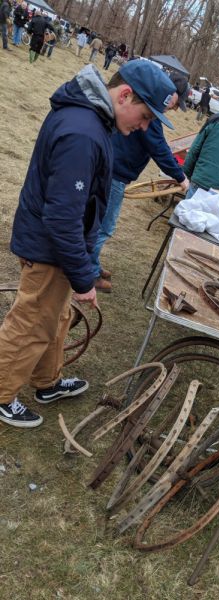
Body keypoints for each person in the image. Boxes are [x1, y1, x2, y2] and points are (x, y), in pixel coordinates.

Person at [0, 60, 177, 429]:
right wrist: (84, 278)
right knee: (31, 322)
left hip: (56, 247)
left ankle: (46, 383)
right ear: (125, 94)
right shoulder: (82, 132)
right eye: (145, 116)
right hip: (49, 248)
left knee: (57, 316)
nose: (144, 127)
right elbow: (63, 217)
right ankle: (2, 395)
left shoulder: (93, 121)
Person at [92, 73, 191, 292]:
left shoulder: (151, 115)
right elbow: (158, 147)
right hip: (115, 172)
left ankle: (92, 265)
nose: (173, 109)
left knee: (99, 222)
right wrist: (180, 177)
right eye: (174, 104)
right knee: (104, 227)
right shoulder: (150, 112)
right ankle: (89, 273)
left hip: (117, 170)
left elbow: (158, 144)